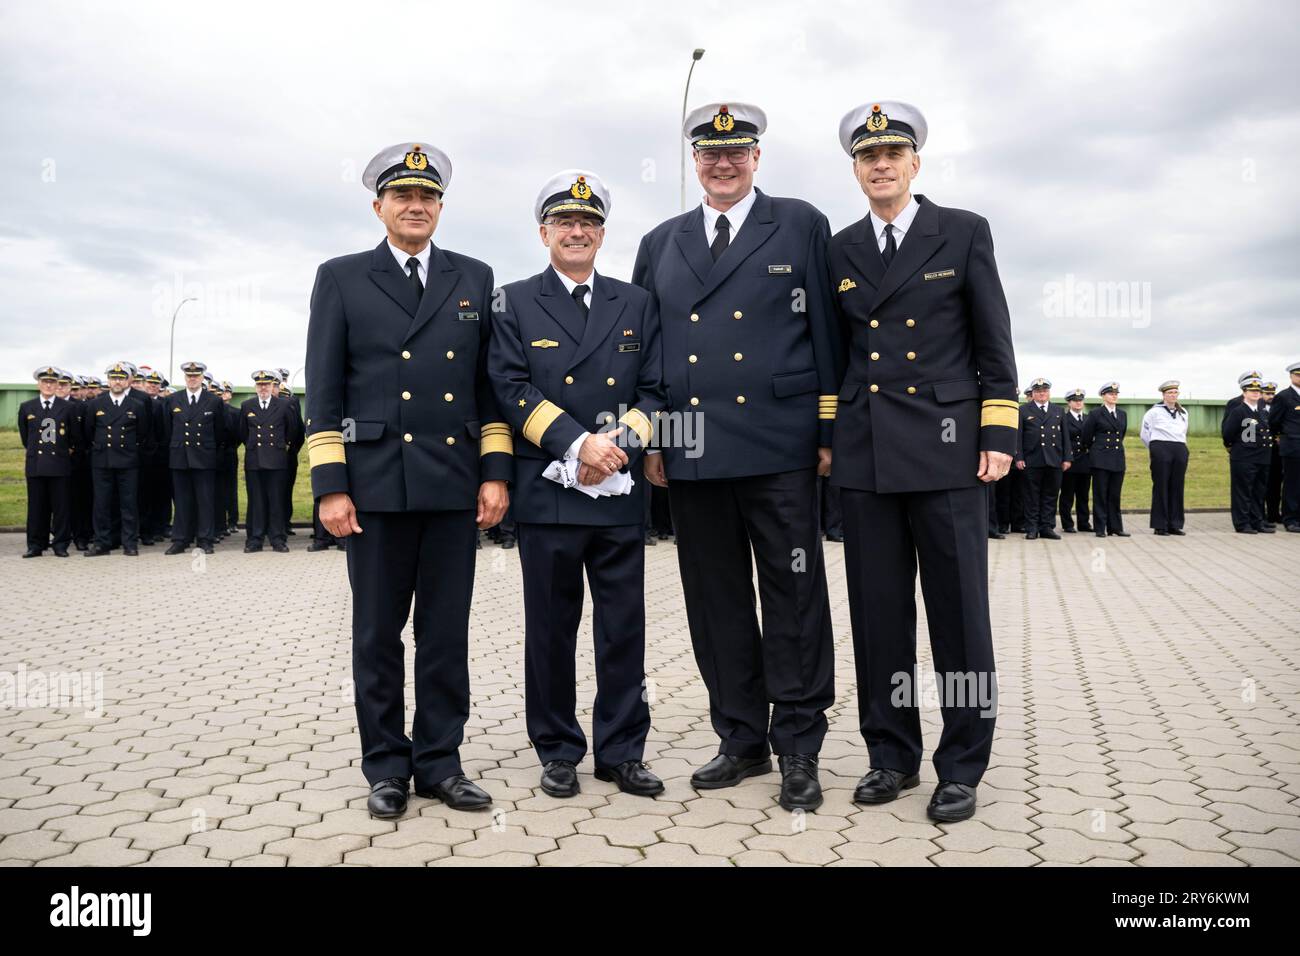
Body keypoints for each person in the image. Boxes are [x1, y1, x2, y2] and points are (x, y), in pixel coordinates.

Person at [632, 102, 841, 811]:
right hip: (692, 448)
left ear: (757, 156)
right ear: (694, 161)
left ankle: (801, 746)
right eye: (710, 153)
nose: (723, 163)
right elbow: (646, 349)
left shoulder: (800, 221)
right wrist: (653, 437)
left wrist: (826, 430)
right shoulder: (662, 240)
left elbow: (827, 330)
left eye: (737, 151)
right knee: (716, 601)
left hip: (780, 444)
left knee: (794, 597)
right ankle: (742, 737)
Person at [306, 141, 512, 819]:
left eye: (427, 198)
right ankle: (387, 767)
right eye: (403, 196)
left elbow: (488, 390)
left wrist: (495, 473)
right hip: (374, 488)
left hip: (452, 485)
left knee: (446, 634)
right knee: (376, 634)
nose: (416, 206)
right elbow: (324, 390)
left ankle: (441, 763)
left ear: (441, 208)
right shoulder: (340, 277)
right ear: (379, 206)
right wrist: (331, 486)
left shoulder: (474, 278)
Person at [828, 100, 1017, 823]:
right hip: (867, 452)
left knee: (960, 616)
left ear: (914, 163)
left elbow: (994, 341)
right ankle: (890, 755)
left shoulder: (962, 232)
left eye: (892, 154)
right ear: (855, 169)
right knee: (879, 617)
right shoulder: (839, 247)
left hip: (947, 452)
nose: (880, 164)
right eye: (867, 156)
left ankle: (963, 762)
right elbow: (834, 350)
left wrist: (997, 432)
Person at [489, 169, 667, 799]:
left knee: (624, 628)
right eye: (565, 222)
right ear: (544, 233)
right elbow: (510, 389)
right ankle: (558, 748)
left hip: (617, 494)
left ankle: (621, 750)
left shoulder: (636, 302)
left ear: (601, 235)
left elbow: (656, 388)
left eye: (588, 223)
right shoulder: (510, 300)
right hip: (549, 492)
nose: (576, 231)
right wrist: (578, 443)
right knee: (551, 628)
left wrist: (615, 446)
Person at [162, 361, 227, 555]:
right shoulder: (173, 400)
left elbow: (220, 432)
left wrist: (211, 453)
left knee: (205, 501)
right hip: (180, 457)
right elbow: (167, 430)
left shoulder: (213, 401)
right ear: (185, 378)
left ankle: (205, 539)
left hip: (204, 458)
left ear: (202, 378)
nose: (192, 379)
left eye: (196, 376)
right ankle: (181, 539)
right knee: (181, 502)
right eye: (189, 376)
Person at [82, 362, 147, 556]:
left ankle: (129, 542)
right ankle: (102, 542)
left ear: (128, 380)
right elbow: (88, 431)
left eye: (121, 378)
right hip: (102, 460)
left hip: (128, 461)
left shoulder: (137, 405)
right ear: (108, 381)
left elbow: (142, 433)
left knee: (128, 504)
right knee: (101, 504)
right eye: (113, 378)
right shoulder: (96, 404)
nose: (117, 381)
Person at [18, 366, 76, 557]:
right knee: (36, 507)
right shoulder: (27, 407)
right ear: (39, 384)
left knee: (61, 508)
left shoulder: (67, 407)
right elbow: (26, 437)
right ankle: (36, 544)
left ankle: (60, 545)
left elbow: (74, 437)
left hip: (59, 464)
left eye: (52, 382)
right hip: (36, 465)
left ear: (57, 384)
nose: (49, 385)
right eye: (45, 382)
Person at [239, 370, 299, 552]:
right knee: (256, 501)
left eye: (266, 384)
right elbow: (242, 431)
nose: (263, 388)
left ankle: (277, 539)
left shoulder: (283, 405)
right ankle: (255, 540)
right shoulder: (247, 405)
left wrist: (282, 447)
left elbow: (293, 430)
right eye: (259, 385)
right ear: (255, 387)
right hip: (254, 460)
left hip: (277, 459)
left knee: (276, 501)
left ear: (274, 386)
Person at [1016, 377, 1071, 539]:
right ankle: (1032, 527)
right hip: (1032, 459)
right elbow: (1018, 436)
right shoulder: (1024, 410)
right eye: (1038, 391)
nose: (1042, 394)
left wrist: (1067, 458)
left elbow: (1065, 436)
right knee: (1031, 495)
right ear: (1032, 393)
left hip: (1054, 459)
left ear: (1049, 392)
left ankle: (1047, 527)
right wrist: (1018, 457)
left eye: (1044, 391)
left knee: (1051, 495)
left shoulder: (1058, 411)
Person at [1222, 376, 1273, 533]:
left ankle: (1257, 521)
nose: (1255, 393)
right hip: (1244, 457)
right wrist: (1237, 448)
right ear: (1244, 392)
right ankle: (1242, 523)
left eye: (1258, 391)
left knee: (1258, 492)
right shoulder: (1239, 411)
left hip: (1262, 457)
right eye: (1251, 390)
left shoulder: (1262, 411)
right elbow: (1228, 434)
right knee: (1243, 492)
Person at [1140, 380, 1190, 535]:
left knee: (1177, 486)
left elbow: (1184, 432)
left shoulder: (1183, 412)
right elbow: (1144, 433)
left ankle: (1175, 524)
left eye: (1175, 392)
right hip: (1161, 447)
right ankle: (1160, 525)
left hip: (1179, 447)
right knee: (1161, 486)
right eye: (1169, 393)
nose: (1173, 395)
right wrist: (1156, 449)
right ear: (1163, 395)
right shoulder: (1154, 412)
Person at [1083, 382, 1128, 537]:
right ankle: (1100, 527)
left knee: (1115, 494)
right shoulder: (1096, 413)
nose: (1114, 396)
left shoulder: (1122, 414)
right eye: (1110, 393)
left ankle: (1115, 527)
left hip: (1117, 458)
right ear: (1103, 396)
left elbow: (1121, 435)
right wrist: (1097, 449)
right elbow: (1086, 436)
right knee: (1100, 494)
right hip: (1101, 458)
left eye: (1116, 393)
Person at [1268, 362, 1300, 532]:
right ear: (1291, 376)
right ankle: (1291, 519)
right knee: (1293, 484)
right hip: (1293, 446)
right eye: (1298, 375)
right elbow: (1273, 421)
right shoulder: (1284, 397)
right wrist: (1282, 436)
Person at [1059, 388, 1092, 532]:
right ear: (1069, 403)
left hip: (1085, 461)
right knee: (1067, 494)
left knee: (1083, 495)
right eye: (1075, 401)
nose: (1078, 403)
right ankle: (1067, 524)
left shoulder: (1088, 418)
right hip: (1070, 461)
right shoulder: (1063, 418)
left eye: (1080, 400)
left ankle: (1084, 523)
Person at [1261, 382, 1283, 524]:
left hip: (1276, 452)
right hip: (1262, 450)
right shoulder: (1257, 409)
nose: (1270, 396)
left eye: (1272, 393)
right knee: (1262, 484)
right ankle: (1260, 514)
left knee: (1275, 484)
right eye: (1267, 393)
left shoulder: (1279, 407)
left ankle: (1274, 514)